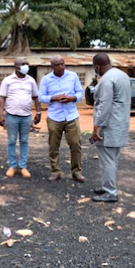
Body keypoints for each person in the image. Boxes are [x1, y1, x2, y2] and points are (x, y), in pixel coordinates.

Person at [90, 53, 131, 203]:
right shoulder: (122, 75)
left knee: (107, 160)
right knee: (112, 159)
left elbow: (104, 106)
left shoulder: (106, 80)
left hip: (108, 126)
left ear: (97, 66)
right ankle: (107, 186)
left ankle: (110, 192)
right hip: (120, 124)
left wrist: (96, 127)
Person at [39, 55, 85, 183]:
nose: (61, 66)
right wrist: (54, 98)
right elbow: (41, 97)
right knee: (54, 146)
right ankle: (55, 171)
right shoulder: (46, 79)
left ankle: (76, 172)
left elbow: (80, 93)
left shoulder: (73, 76)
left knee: (76, 144)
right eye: (58, 65)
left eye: (62, 63)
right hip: (55, 116)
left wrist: (72, 98)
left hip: (71, 115)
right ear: (52, 66)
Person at [0, 58, 41, 179]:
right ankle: (12, 165)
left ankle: (23, 166)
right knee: (11, 140)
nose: (26, 66)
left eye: (27, 64)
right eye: (23, 64)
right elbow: (2, 98)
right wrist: (1, 115)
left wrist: (38, 112)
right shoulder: (7, 81)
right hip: (11, 115)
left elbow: (36, 98)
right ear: (16, 67)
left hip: (26, 116)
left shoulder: (31, 81)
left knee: (24, 141)